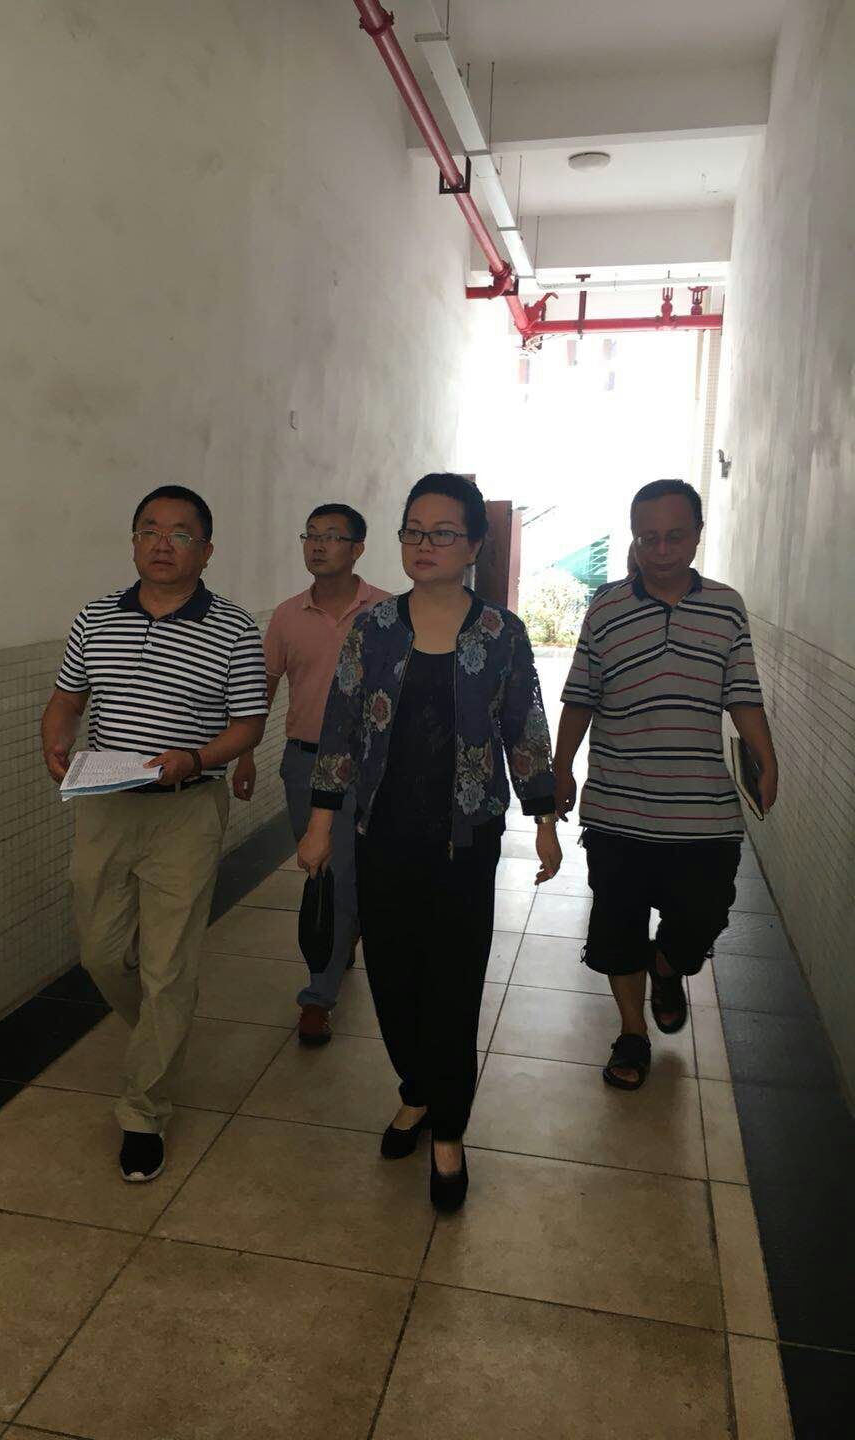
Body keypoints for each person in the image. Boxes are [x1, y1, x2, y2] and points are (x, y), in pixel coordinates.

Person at [298, 473, 562, 1213]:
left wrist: (544, 818)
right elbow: (341, 728)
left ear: (474, 545)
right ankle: (415, 1089)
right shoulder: (374, 630)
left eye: (443, 533)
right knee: (391, 977)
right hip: (382, 834)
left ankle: (448, 1130)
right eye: (413, 530)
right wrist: (319, 822)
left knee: (453, 983)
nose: (425, 544)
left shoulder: (501, 633)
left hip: (466, 843)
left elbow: (525, 727)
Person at [41, 486, 268, 1181]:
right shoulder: (95, 618)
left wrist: (196, 758)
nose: (163, 543)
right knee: (102, 954)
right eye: (149, 530)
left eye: (180, 532)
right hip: (105, 804)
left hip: (185, 809)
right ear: (134, 541)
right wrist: (54, 738)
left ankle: (143, 1111)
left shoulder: (234, 628)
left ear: (207, 549)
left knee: (169, 967)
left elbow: (248, 724)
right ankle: (164, 1027)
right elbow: (68, 699)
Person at [554, 479, 778, 1090]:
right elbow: (580, 696)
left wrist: (766, 757)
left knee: (706, 913)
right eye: (647, 537)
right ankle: (632, 1032)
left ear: (697, 535)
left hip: (704, 810)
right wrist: (562, 766)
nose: (660, 550)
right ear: (634, 538)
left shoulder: (727, 607)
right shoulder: (605, 608)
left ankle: (669, 964)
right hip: (617, 806)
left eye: (674, 536)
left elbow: (743, 694)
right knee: (617, 926)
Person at [232, 504, 389, 1044]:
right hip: (306, 761)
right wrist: (246, 753)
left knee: (347, 869)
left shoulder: (388, 612)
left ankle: (318, 996)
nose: (318, 545)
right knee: (322, 868)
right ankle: (339, 940)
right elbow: (262, 690)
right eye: (311, 535)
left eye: (332, 536)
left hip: (372, 765)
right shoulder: (286, 616)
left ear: (358, 548)